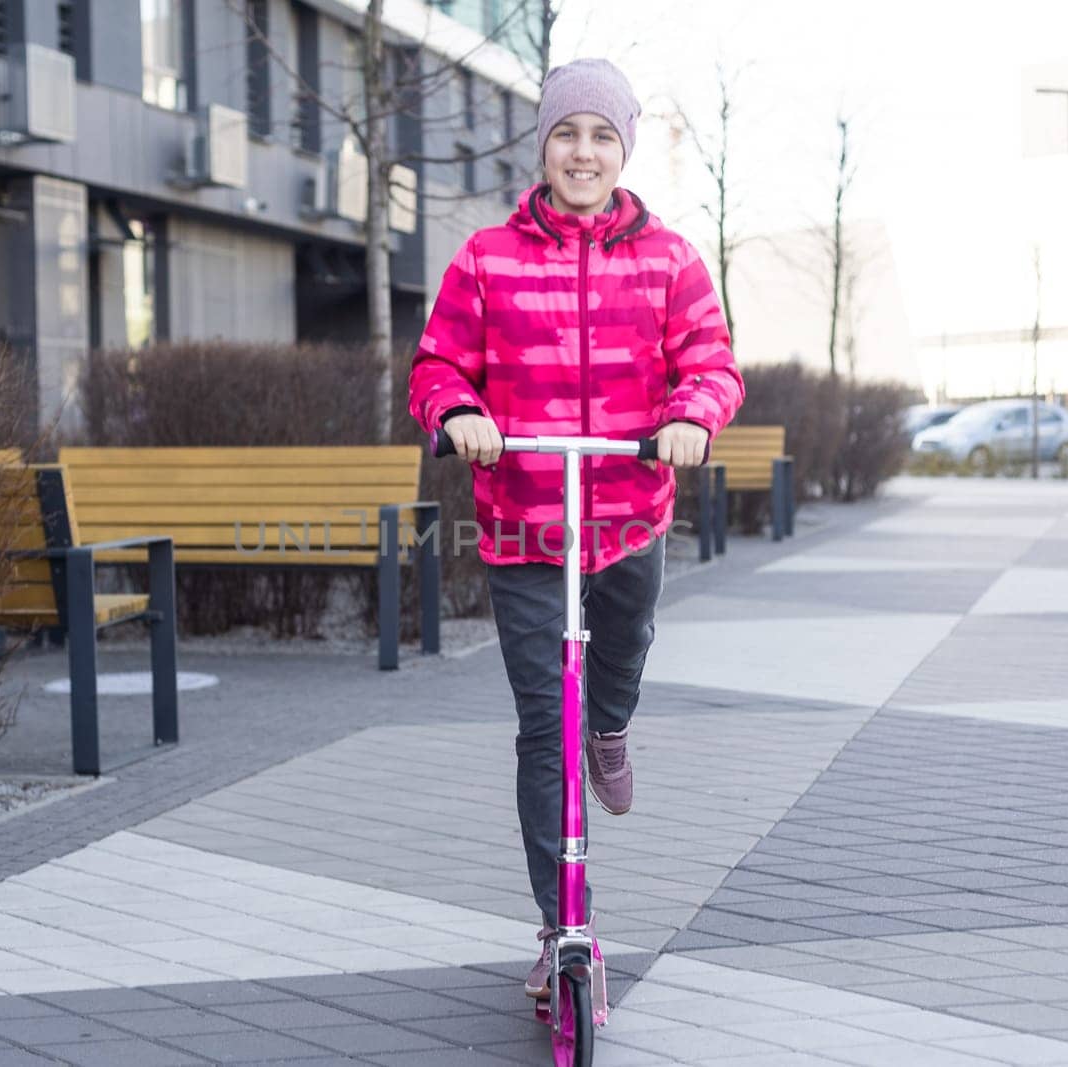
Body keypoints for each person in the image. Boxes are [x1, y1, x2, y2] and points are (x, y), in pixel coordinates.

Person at [407, 57, 744, 999]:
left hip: (629, 515)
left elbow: (712, 362)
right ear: (543, 147)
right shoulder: (487, 258)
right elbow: (437, 366)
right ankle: (561, 927)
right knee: (537, 729)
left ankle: (614, 726)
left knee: (623, 648)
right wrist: (456, 413)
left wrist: (690, 416)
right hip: (523, 526)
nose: (583, 151)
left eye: (601, 135)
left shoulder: (668, 258)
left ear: (623, 150)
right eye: (566, 133)